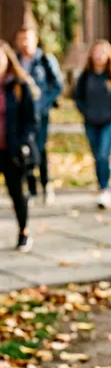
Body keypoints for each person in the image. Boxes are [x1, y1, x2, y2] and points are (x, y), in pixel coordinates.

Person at [74, 40, 111, 209]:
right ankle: (101, 183)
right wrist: (86, 112)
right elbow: (78, 97)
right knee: (97, 156)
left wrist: (110, 115)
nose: (99, 56)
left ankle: (105, 189)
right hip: (91, 122)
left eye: (102, 53)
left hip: (110, 122)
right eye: (96, 53)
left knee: (104, 154)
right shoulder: (85, 75)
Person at [15, 16, 63, 204]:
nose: (25, 43)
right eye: (22, 39)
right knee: (25, 148)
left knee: (40, 149)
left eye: (28, 38)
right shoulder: (16, 61)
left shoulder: (45, 60)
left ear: (35, 40)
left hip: (40, 114)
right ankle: (31, 188)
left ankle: (46, 185)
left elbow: (57, 85)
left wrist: (44, 103)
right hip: (21, 114)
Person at [0, 41, 38, 251]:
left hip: (11, 150)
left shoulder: (18, 86)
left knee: (16, 192)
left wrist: (24, 142)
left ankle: (24, 231)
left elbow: (31, 120)